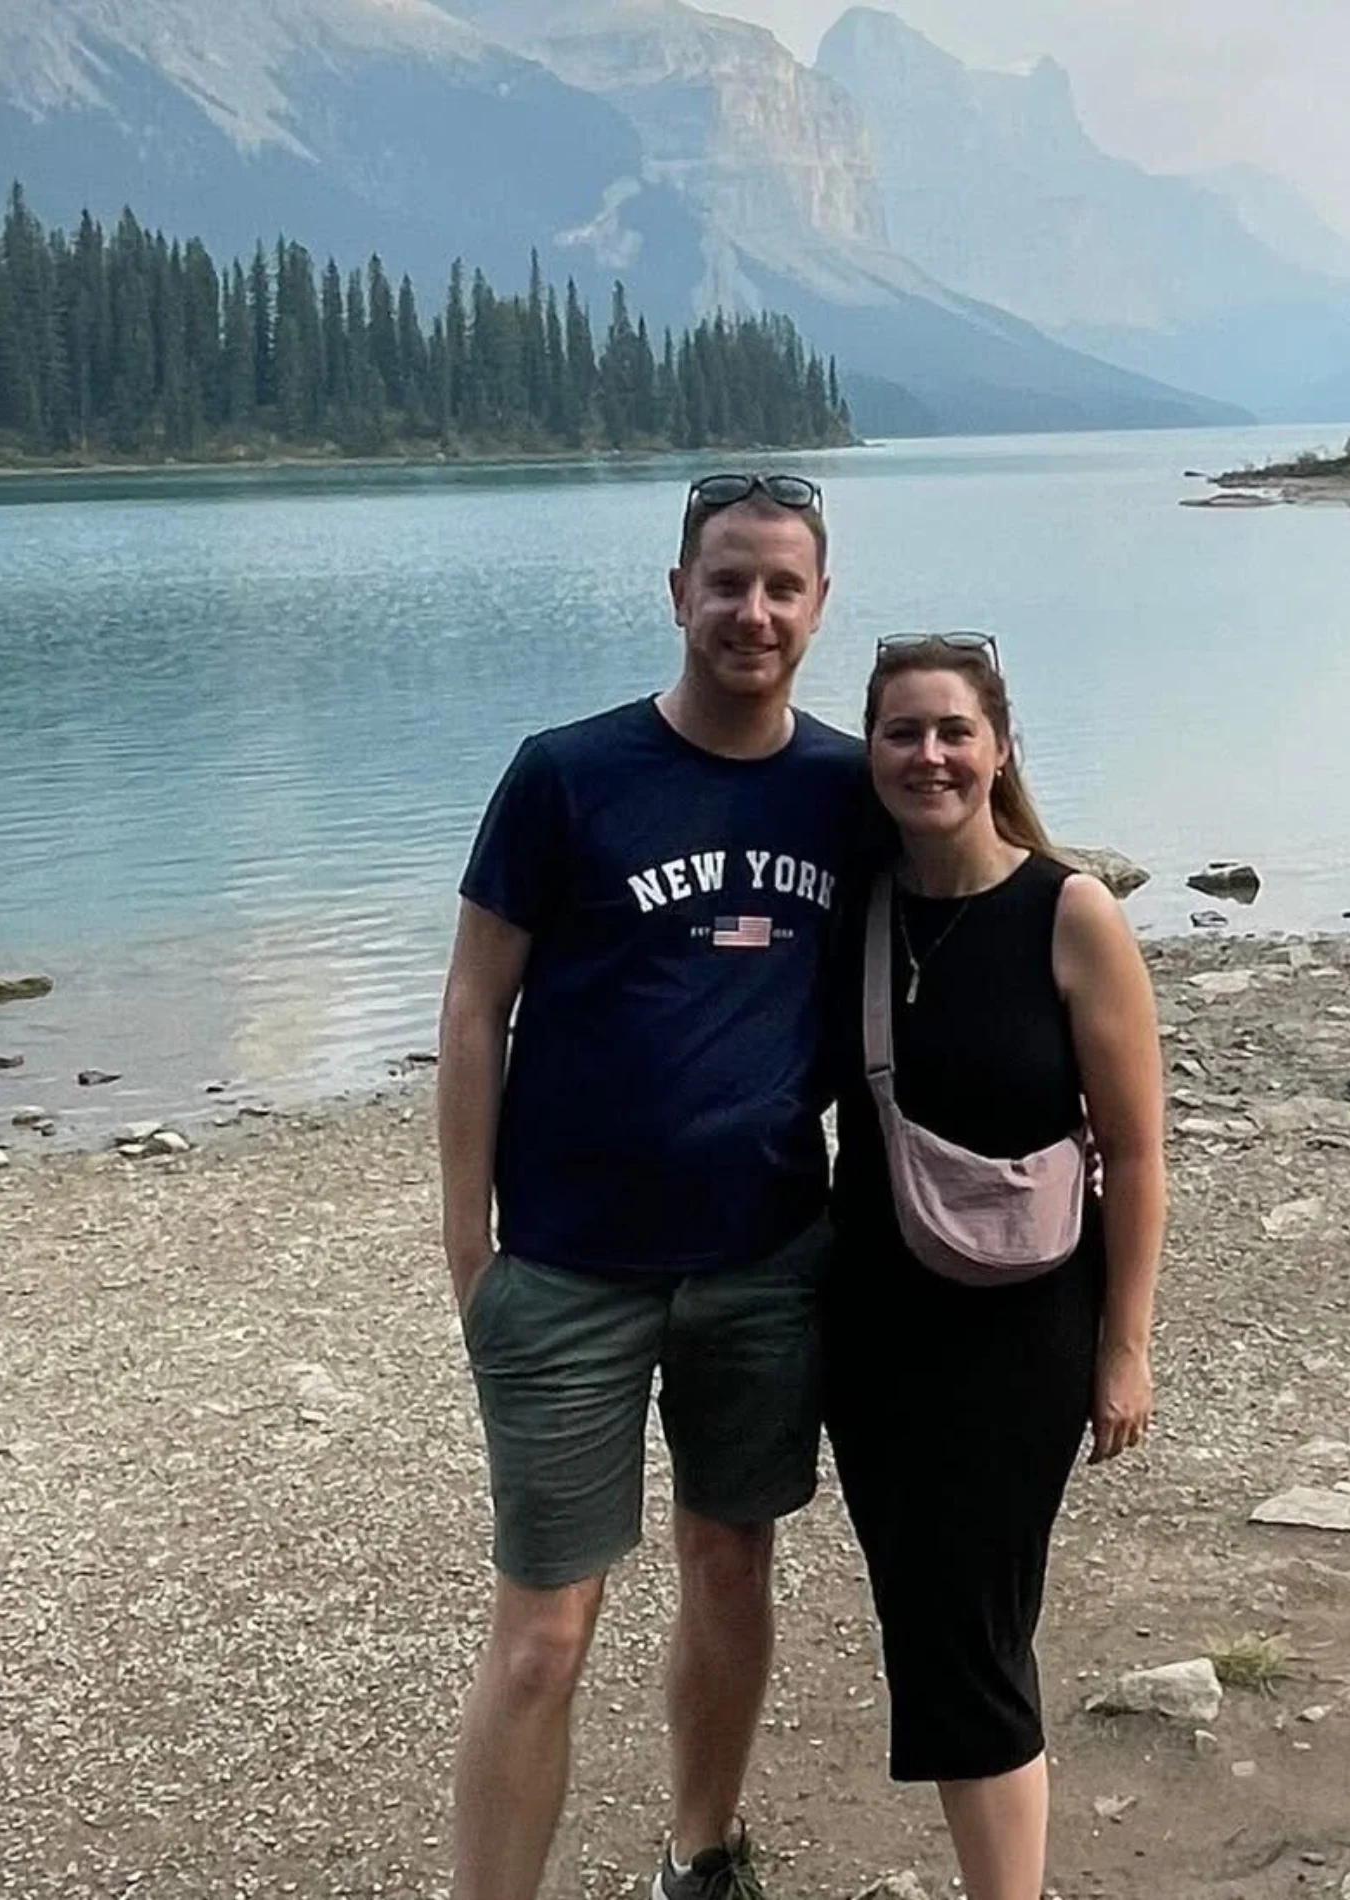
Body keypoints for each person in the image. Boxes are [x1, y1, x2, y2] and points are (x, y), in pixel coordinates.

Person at [437, 471, 868, 1900]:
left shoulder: (846, 789)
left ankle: (705, 1847)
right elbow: (470, 1006)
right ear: (677, 594)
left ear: (818, 607)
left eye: (782, 587)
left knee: (732, 1568)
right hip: (567, 1265)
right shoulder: (567, 776)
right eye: (727, 581)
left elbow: (982, 914)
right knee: (546, 1628)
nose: (753, 611)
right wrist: (468, 1252)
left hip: (760, 1261)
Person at [825, 633, 1168, 1900]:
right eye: (902, 732)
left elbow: (1135, 1155)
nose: (929, 755)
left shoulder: (1069, 912)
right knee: (928, 1620)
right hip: (867, 1335)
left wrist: (1122, 1349)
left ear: (1000, 746)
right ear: (868, 752)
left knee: (969, 1631)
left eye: (953, 731)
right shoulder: (854, 906)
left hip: (1023, 1338)